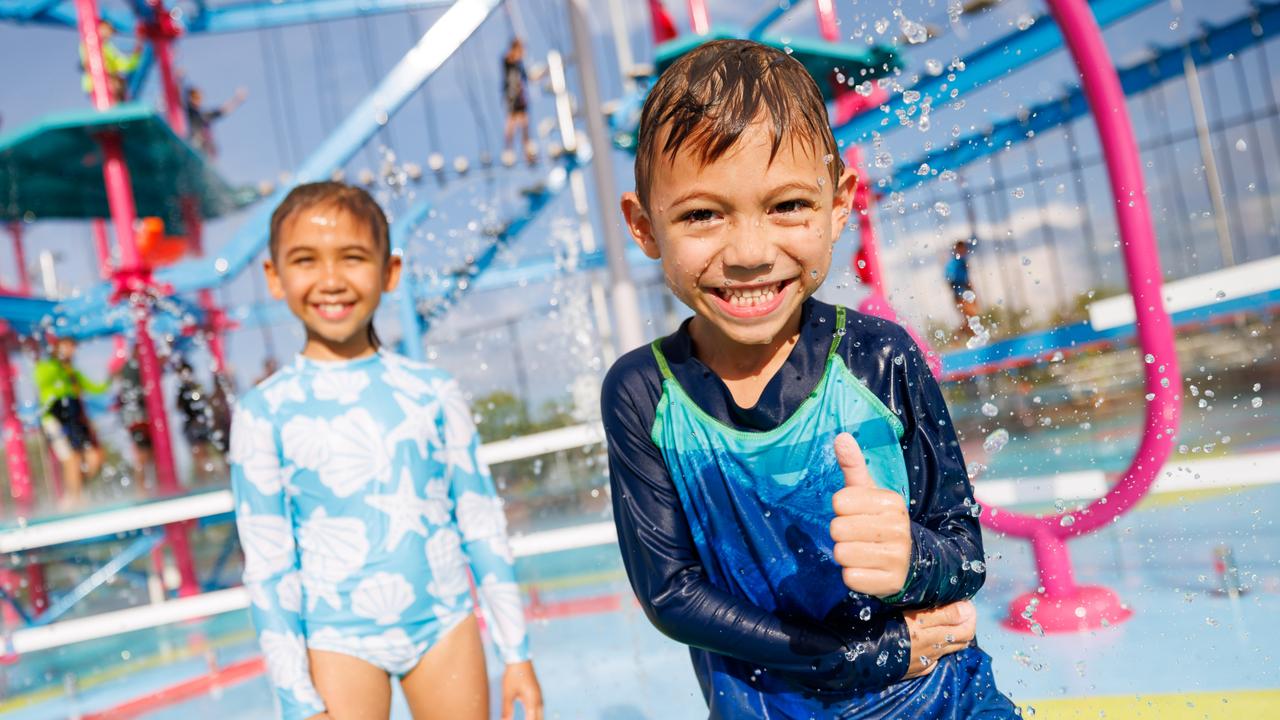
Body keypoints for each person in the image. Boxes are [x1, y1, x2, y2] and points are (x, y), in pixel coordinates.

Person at [605, 40, 1015, 718]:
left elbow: (966, 555)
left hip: (942, 700)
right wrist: (859, 655)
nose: (750, 253)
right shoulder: (644, 394)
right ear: (645, 227)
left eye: (788, 205)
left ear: (837, 204)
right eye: (702, 215)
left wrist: (910, 559)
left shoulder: (879, 358)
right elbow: (671, 594)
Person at [229, 182, 542, 720]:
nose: (330, 280)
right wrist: (296, 699)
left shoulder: (433, 392)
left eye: (353, 258)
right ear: (274, 277)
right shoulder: (263, 412)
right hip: (337, 639)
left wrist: (516, 654)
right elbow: (268, 565)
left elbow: (480, 523)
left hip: (443, 624)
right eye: (306, 261)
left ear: (389, 272)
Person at [34, 336, 109, 508]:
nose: (72, 351)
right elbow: (41, 380)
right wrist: (58, 367)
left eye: (73, 347)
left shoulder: (73, 373)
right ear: (57, 348)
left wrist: (111, 374)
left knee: (94, 456)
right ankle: (73, 498)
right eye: (68, 347)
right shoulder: (47, 366)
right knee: (71, 458)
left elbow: (96, 388)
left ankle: (78, 491)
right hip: (54, 419)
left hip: (73, 418)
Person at [175, 357, 220, 483]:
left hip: (198, 425)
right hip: (192, 425)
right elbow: (178, 407)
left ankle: (209, 481)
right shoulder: (182, 389)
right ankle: (204, 482)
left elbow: (204, 402)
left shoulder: (195, 387)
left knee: (204, 455)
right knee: (200, 455)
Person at [79, 20, 140, 103]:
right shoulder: (89, 43)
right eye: (107, 29)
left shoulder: (109, 48)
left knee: (121, 86)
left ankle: (119, 106)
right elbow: (88, 63)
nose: (109, 34)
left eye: (110, 31)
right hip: (96, 83)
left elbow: (126, 65)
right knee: (115, 86)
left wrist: (137, 53)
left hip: (110, 82)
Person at [115, 345, 152, 479]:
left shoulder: (130, 367)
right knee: (142, 454)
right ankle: (142, 489)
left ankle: (145, 488)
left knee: (146, 453)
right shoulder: (132, 367)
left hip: (137, 418)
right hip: (136, 419)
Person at [185, 85, 248, 159]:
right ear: (189, 98)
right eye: (194, 97)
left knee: (206, 145)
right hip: (191, 144)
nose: (197, 100)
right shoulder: (186, 110)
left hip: (203, 151)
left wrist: (237, 100)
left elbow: (222, 111)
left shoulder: (204, 115)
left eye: (199, 98)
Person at [502, 38, 535, 163]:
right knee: (511, 123)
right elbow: (509, 58)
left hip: (520, 97)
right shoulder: (508, 61)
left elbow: (527, 77)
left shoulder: (519, 64)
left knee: (524, 124)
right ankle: (508, 150)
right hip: (512, 96)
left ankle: (527, 152)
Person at [945, 239, 980, 336]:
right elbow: (949, 279)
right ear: (956, 250)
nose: (963, 251)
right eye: (961, 249)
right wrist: (958, 291)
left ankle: (958, 338)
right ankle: (958, 338)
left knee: (972, 319)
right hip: (959, 296)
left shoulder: (963, 261)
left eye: (964, 249)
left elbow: (967, 280)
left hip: (968, 294)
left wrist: (973, 292)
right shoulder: (953, 263)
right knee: (972, 317)